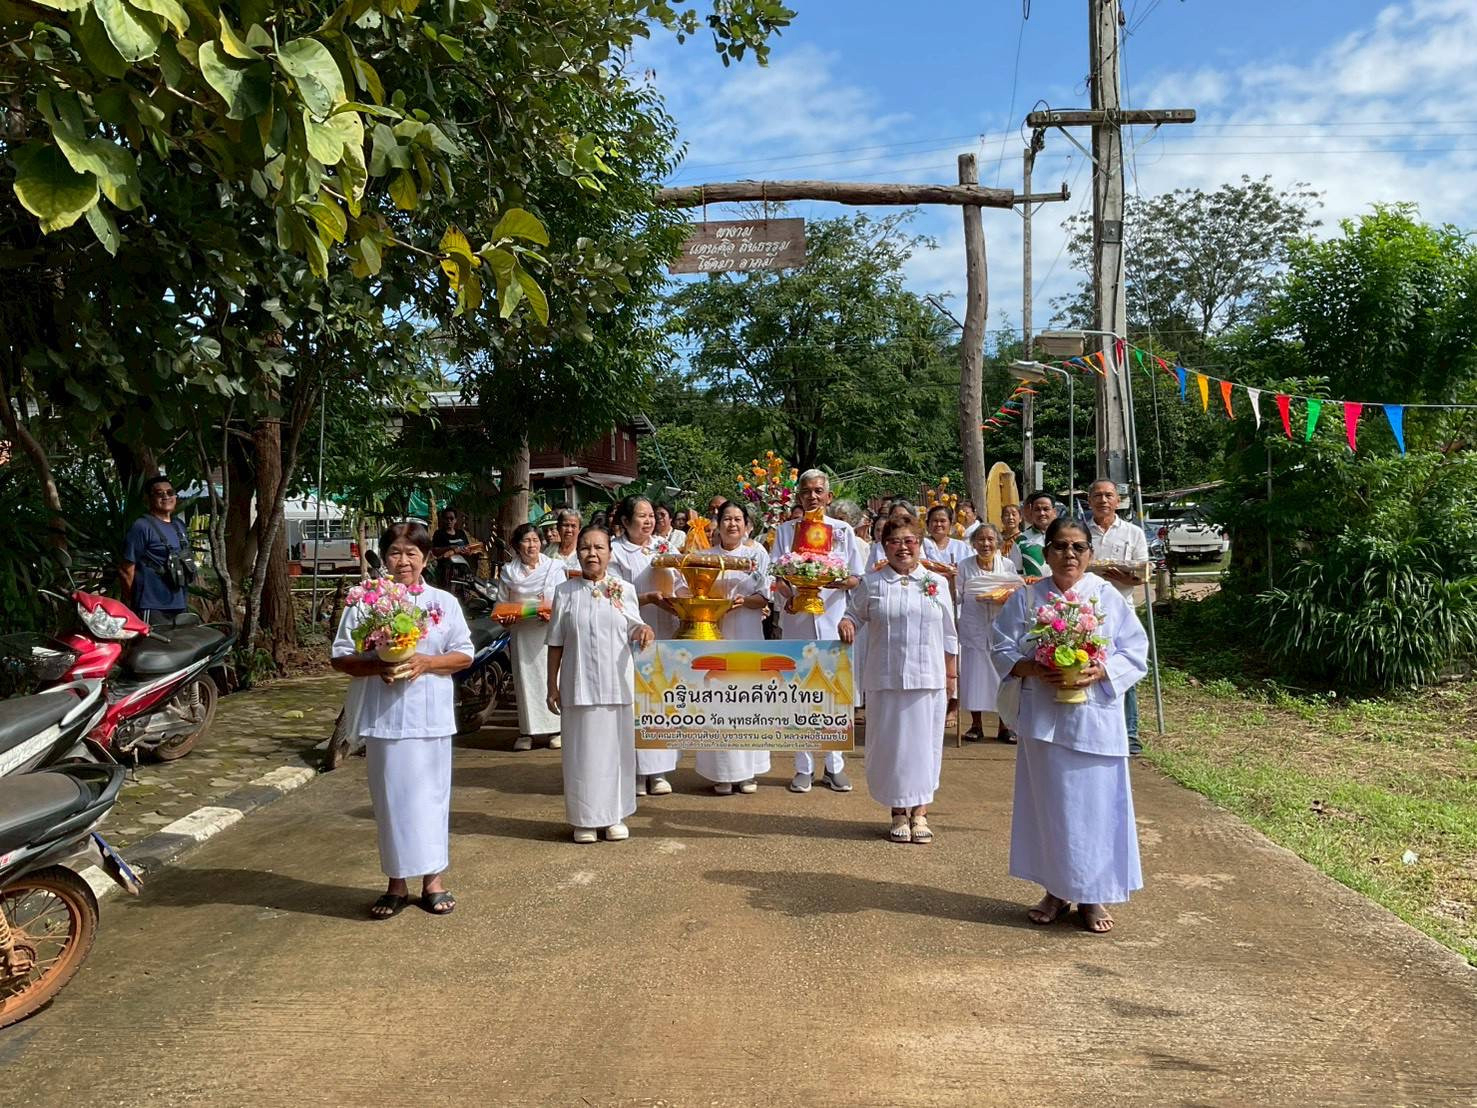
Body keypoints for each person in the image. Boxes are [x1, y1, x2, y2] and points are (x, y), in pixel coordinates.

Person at [990, 516, 1149, 934]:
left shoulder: (1106, 597)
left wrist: (1102, 672)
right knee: (1050, 809)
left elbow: (1135, 652)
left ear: (1090, 554)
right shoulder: (1027, 599)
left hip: (1095, 721)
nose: (1069, 555)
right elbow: (1001, 645)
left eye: (1078, 547)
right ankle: (1056, 890)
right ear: (1046, 552)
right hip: (1045, 721)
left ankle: (1093, 895)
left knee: (1094, 811)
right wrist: (1029, 666)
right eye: (1060, 546)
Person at [331, 522, 474, 918]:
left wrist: (427, 662)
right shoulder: (366, 603)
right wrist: (377, 663)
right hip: (386, 719)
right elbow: (340, 655)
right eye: (396, 552)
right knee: (391, 802)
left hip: (430, 719)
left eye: (413, 553)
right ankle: (396, 883)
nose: (404, 560)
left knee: (431, 800)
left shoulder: (443, 603)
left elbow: (464, 654)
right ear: (384, 557)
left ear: (426, 558)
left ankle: (433, 880)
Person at [839, 518, 958, 844]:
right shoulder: (873, 582)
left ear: (920, 543)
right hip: (886, 678)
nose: (903, 547)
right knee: (892, 749)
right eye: (894, 541)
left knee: (924, 748)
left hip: (928, 679)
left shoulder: (935, 582)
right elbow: (853, 614)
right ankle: (897, 812)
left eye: (910, 540)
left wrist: (952, 677)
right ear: (884, 545)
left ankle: (920, 812)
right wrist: (847, 624)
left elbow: (949, 635)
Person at [546, 525, 655, 843]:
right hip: (578, 685)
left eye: (599, 548)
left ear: (610, 553)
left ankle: (614, 816)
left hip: (615, 684)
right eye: (585, 548)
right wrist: (552, 685)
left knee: (615, 752)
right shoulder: (564, 592)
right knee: (581, 754)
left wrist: (644, 630)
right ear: (577, 552)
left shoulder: (622, 589)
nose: (591, 554)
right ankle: (584, 819)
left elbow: (635, 625)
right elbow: (556, 642)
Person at [772, 469, 865, 794]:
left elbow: (856, 577)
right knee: (798, 693)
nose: (813, 496)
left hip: (834, 621)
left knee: (834, 694)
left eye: (818, 491)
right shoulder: (786, 531)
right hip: (798, 621)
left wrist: (829, 582)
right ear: (799, 497)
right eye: (807, 491)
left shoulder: (843, 531)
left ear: (828, 496)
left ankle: (834, 764)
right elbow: (778, 575)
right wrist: (792, 595)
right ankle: (803, 766)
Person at [693, 501, 773, 795]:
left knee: (748, 699)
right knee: (717, 699)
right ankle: (722, 772)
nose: (732, 524)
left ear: (747, 525)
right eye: (727, 519)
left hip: (749, 633)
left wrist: (742, 602)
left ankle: (748, 771)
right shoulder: (704, 557)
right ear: (717, 523)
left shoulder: (757, 555)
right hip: (715, 634)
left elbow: (765, 597)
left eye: (738, 519)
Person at [608, 495, 680, 796]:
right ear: (625, 522)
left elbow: (683, 582)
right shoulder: (615, 553)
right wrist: (646, 598)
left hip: (666, 631)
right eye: (641, 516)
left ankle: (660, 771)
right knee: (637, 702)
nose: (649, 521)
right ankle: (637, 771)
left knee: (663, 700)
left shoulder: (664, 547)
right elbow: (611, 596)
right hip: (631, 635)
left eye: (652, 515)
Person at [1086, 479, 1151, 755]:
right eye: (1098, 495)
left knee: (1123, 668)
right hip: (1087, 610)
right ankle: (1093, 733)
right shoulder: (1081, 532)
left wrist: (1126, 577)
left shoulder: (1133, 532)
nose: (1103, 500)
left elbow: (1143, 574)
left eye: (1108, 495)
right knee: (1087, 667)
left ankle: (1130, 735)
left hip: (1121, 610)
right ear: (1089, 501)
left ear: (1118, 500)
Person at [497, 523, 568, 752]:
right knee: (525, 681)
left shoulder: (555, 567)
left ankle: (556, 729)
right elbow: (501, 603)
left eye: (535, 540)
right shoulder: (509, 572)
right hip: (522, 633)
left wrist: (552, 614)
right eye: (526, 541)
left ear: (542, 543)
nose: (531, 545)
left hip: (549, 631)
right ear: (518, 545)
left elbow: (562, 598)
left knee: (552, 677)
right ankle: (527, 731)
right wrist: (506, 617)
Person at [956, 524, 1020, 743]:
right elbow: (957, 595)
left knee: (1002, 675)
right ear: (973, 543)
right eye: (981, 540)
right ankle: (976, 724)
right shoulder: (964, 566)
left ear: (998, 543)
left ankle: (1005, 726)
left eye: (990, 539)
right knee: (975, 676)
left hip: (1000, 625)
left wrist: (1001, 596)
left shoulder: (1008, 564)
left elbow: (1015, 590)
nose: (986, 544)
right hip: (974, 626)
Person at [120, 476, 193, 624]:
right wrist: (135, 602)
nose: (166, 496)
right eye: (159, 493)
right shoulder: (141, 527)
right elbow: (126, 570)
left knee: (180, 646)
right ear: (149, 499)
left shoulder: (179, 525)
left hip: (179, 605)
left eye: (170, 492)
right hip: (152, 607)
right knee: (152, 647)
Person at [431, 508, 483, 590]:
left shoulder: (461, 533)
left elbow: (467, 548)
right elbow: (435, 551)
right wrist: (450, 548)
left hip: (463, 568)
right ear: (443, 520)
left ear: (455, 520)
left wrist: (467, 551)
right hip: (447, 569)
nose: (449, 521)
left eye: (451, 518)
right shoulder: (439, 533)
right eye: (446, 518)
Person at [1009, 491, 1057, 576]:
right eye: (1037, 509)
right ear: (1031, 512)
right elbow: (1014, 575)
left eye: (1046, 509)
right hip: (1033, 589)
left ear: (1054, 512)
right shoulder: (1020, 540)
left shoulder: (1064, 537)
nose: (1042, 513)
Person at [922, 504, 970, 578]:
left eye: (942, 521)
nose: (938, 524)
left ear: (950, 524)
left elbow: (970, 568)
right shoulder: (921, 545)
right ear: (927, 524)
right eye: (935, 521)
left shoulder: (961, 546)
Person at [552, 508, 583, 574]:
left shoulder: (583, 552)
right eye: (565, 525)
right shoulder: (550, 550)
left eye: (573, 526)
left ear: (579, 529)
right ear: (558, 527)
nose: (569, 530)